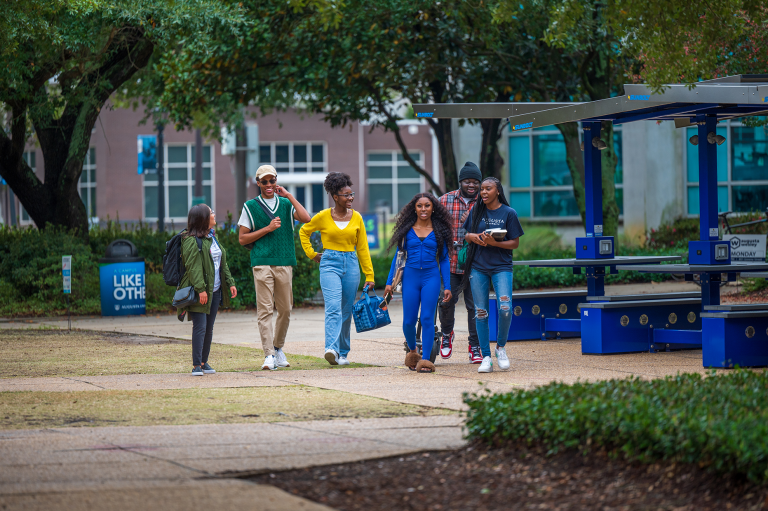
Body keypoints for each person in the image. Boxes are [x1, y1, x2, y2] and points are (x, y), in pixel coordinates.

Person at [238, 165, 311, 371]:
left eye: (272, 181)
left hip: (285, 261)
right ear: (258, 183)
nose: (269, 185)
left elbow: (306, 218)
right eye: (264, 181)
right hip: (261, 262)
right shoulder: (250, 206)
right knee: (265, 310)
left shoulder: (286, 204)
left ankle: (278, 348)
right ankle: (269, 354)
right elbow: (242, 238)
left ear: (276, 181)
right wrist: (267, 229)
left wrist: (289, 195)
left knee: (286, 309)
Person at [299, 172, 375, 366]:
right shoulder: (323, 216)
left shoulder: (357, 218)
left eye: (352, 194)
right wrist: (311, 253)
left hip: (351, 264)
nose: (350, 198)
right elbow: (304, 231)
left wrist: (369, 275)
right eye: (346, 195)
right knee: (333, 307)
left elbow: (363, 248)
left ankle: (343, 353)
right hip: (329, 263)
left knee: (346, 310)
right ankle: (330, 348)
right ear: (335, 197)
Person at [383, 193, 452, 373]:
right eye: (420, 206)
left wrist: (448, 286)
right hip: (410, 278)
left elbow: (444, 260)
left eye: (427, 205)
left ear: (433, 208)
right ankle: (413, 352)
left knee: (428, 319)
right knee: (408, 322)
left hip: (431, 277)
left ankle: (427, 360)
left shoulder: (439, 231)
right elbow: (398, 258)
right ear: (414, 208)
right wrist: (389, 282)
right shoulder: (407, 231)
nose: (423, 209)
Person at [462, 177, 524, 373]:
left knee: (505, 308)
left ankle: (500, 348)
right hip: (478, 267)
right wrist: (473, 237)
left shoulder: (509, 213)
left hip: (501, 267)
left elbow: (514, 243)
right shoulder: (476, 210)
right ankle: (486, 356)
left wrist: (494, 243)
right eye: (482, 190)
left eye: (488, 189)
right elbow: (466, 235)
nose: (484, 192)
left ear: (498, 191)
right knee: (481, 313)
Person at [177, 204, 238, 376]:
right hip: (200, 291)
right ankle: (196, 365)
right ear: (203, 218)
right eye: (211, 212)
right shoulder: (190, 240)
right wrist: (201, 289)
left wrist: (230, 282)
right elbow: (193, 267)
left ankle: (204, 362)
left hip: (215, 289)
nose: (214, 214)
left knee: (209, 327)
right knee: (200, 327)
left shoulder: (212, 238)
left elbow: (222, 264)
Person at [438, 162, 482, 363]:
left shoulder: (486, 200)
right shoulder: (445, 200)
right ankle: (447, 334)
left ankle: (475, 345)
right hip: (450, 262)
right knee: (446, 302)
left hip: (477, 264)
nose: (471, 185)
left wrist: (472, 221)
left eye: (475, 182)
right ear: (460, 182)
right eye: (467, 181)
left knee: (476, 306)